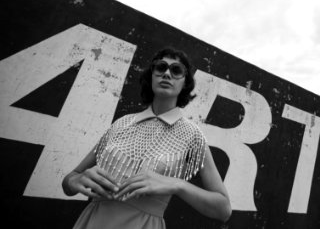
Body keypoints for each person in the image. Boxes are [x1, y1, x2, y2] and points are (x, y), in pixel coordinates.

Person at [62, 47, 232, 228]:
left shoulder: (193, 136)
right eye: (160, 67)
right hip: (94, 221)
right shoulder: (121, 123)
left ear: (185, 83)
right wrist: (75, 181)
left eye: (176, 70)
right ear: (151, 75)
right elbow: (70, 180)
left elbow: (223, 210)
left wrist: (177, 185)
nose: (167, 73)